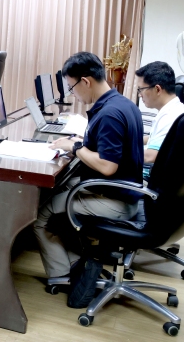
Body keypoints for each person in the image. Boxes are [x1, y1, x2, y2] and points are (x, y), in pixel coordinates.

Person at [34, 51, 144, 280]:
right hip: (125, 192)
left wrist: (76, 148)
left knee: (40, 215)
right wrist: (81, 143)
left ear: (86, 81)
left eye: (72, 87)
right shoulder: (122, 103)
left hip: (116, 201)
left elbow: (107, 167)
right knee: (58, 189)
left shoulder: (109, 114)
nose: (73, 94)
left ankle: (63, 276)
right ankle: (78, 260)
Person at [135, 61, 184, 177]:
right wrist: (131, 140)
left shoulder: (169, 116)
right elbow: (155, 138)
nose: (140, 95)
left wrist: (117, 153)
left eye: (141, 89)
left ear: (157, 89)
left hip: (143, 179)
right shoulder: (174, 109)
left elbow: (151, 156)